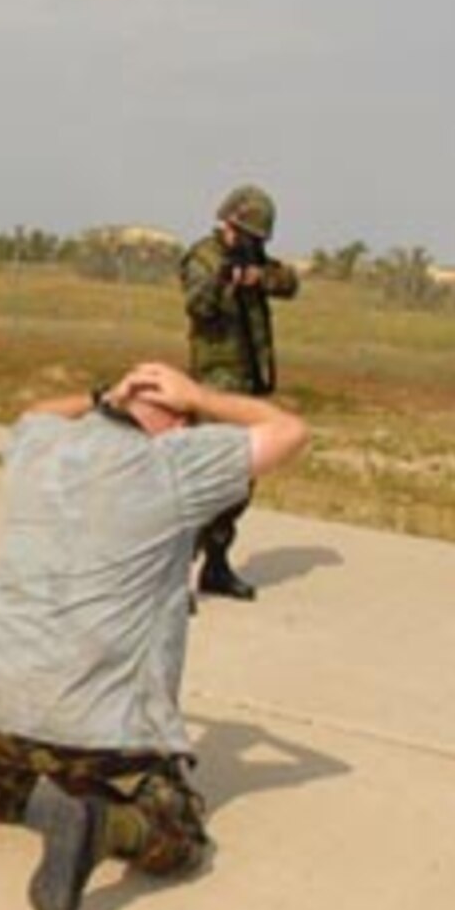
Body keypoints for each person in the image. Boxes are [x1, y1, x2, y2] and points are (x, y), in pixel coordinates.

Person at [0, 361, 309, 910]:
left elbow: (34, 412)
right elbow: (289, 431)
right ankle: (100, 826)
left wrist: (102, 394)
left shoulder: (43, 446)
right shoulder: (173, 466)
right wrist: (201, 395)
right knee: (179, 833)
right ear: (176, 424)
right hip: (99, 738)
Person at [179, 183, 301, 599]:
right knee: (208, 480)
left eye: (258, 240)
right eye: (248, 236)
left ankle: (216, 564)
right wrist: (224, 281)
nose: (252, 244)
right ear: (229, 224)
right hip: (215, 386)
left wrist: (257, 277)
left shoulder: (255, 260)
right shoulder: (203, 257)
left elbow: (290, 283)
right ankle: (175, 577)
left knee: (240, 483)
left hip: (249, 385)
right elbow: (199, 308)